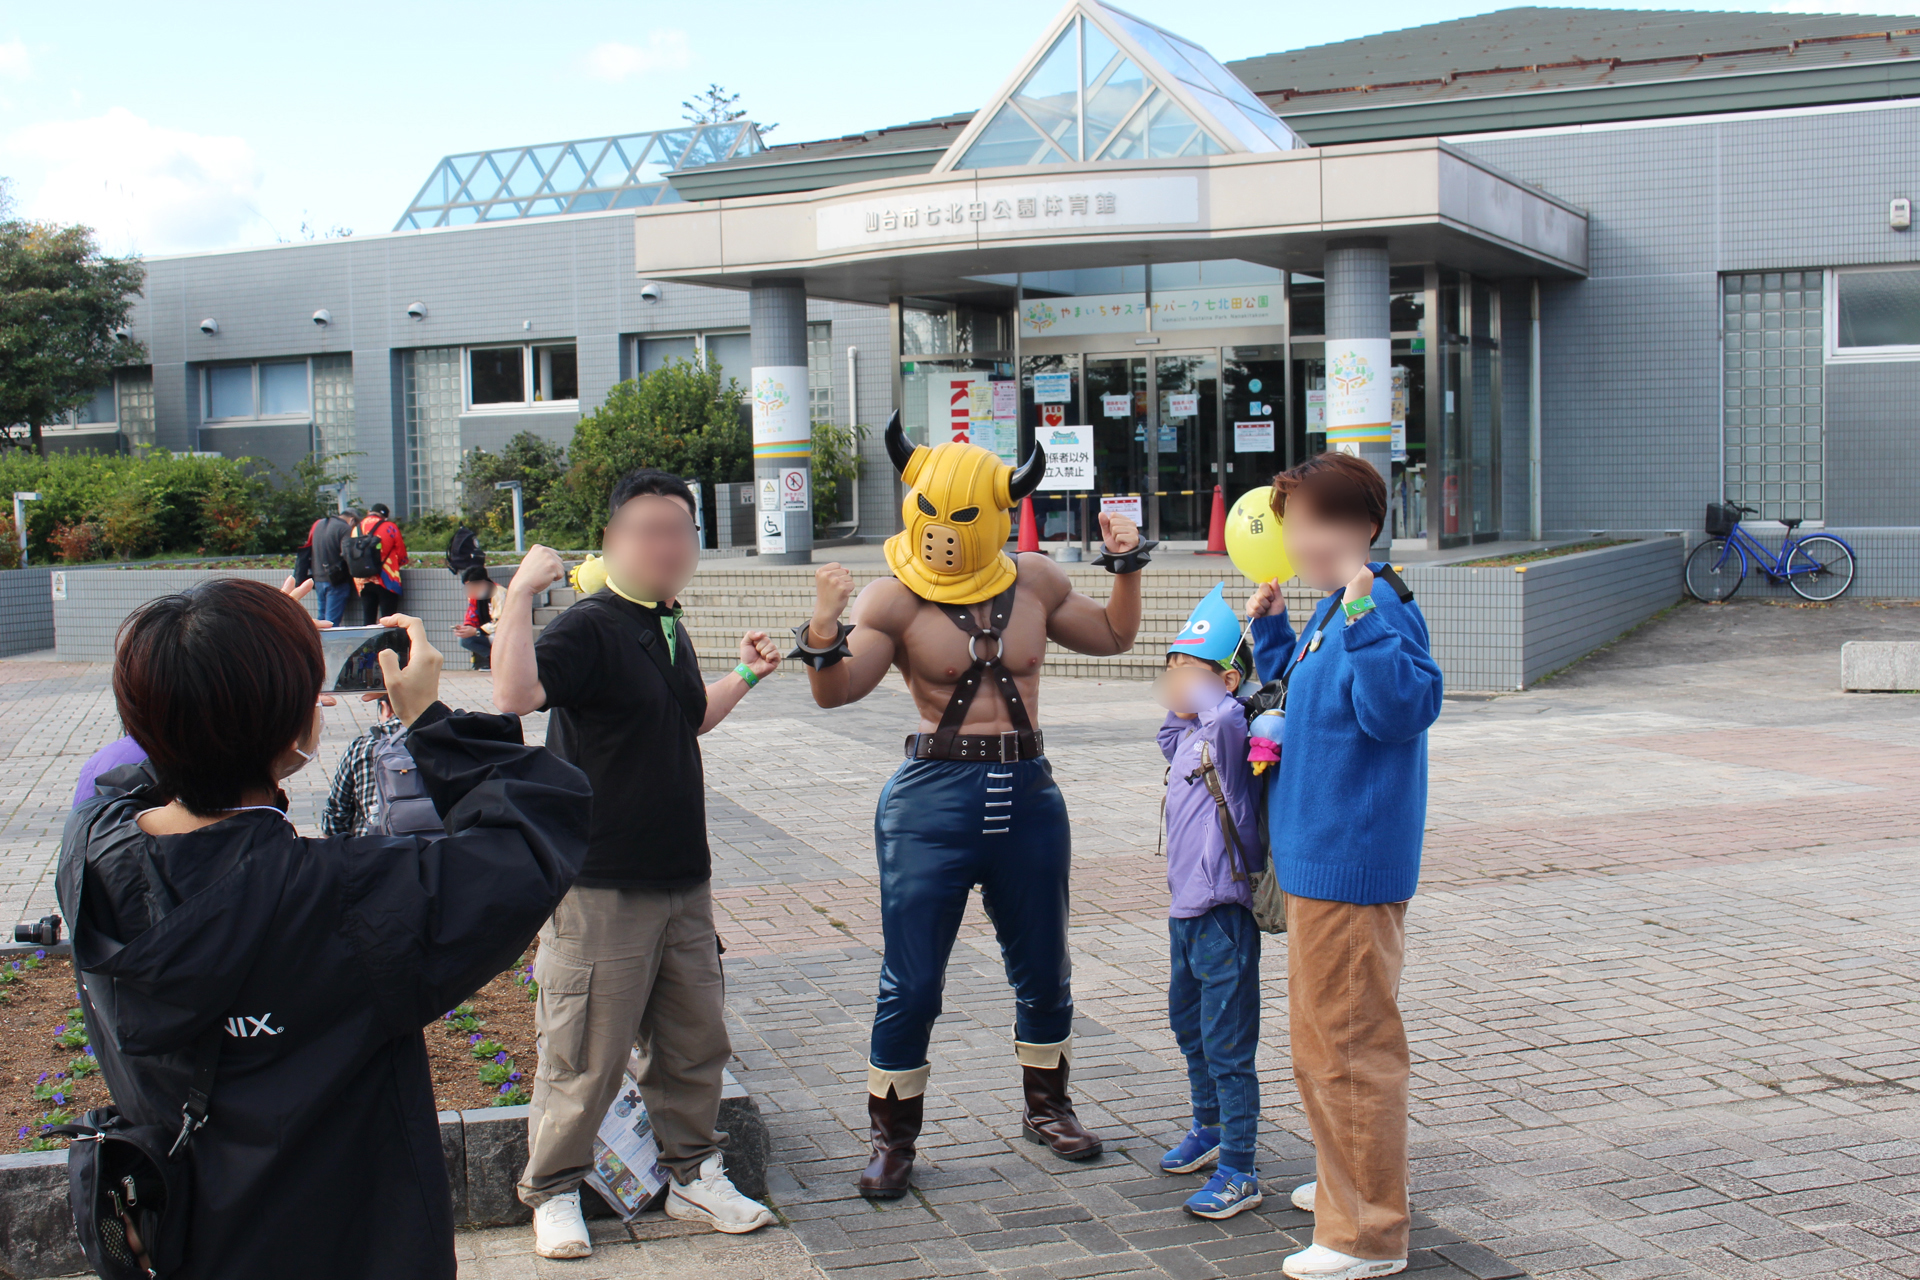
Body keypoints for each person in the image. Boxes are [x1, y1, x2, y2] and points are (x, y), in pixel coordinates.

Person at [56, 579, 591, 1280]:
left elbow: (135, 773)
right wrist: (430, 721)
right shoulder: (349, 897)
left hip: (188, 1238)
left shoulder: (94, 850)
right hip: (353, 1246)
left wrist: (217, 665)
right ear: (298, 731)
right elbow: (536, 828)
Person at [795, 413, 1147, 1199]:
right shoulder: (894, 598)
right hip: (932, 803)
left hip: (1027, 793)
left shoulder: (1036, 581)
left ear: (995, 514)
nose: (944, 532)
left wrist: (1125, 565)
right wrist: (822, 629)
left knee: (1045, 967)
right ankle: (892, 1138)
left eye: (960, 516)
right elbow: (837, 692)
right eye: (930, 513)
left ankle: (1048, 1108)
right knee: (913, 980)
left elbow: (1113, 637)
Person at [492, 468, 782, 1257]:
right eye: (650, 531)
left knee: (694, 1044)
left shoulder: (665, 622)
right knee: (584, 1050)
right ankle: (552, 1190)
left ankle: (693, 1176)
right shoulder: (588, 626)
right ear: (613, 540)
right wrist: (519, 595)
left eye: (679, 531)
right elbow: (515, 693)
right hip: (601, 882)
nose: (667, 545)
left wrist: (745, 675)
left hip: (683, 878)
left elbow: (687, 719)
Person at [1245, 451, 1443, 1280]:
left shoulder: (1378, 603)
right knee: (1322, 1041)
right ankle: (1347, 1182)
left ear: (1364, 526)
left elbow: (1401, 709)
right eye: (1294, 526)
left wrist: (1358, 616)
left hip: (1350, 863)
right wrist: (1274, 633)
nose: (1303, 541)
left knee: (1350, 1048)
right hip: (1316, 860)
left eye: (1320, 524)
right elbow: (1315, 703)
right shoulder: (1339, 601)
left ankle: (1366, 1234)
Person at [1154, 583, 1265, 1221]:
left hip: (1223, 911)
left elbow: (1225, 715)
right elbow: (1171, 731)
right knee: (1187, 1024)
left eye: (1186, 672)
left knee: (1228, 1043)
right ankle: (1210, 1127)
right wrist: (1186, 685)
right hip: (1185, 911)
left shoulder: (1227, 730)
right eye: (1169, 669)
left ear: (1224, 682)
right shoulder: (1188, 735)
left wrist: (1222, 670)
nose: (1174, 682)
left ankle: (1240, 1168)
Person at [321, 696, 406, 837]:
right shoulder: (439, 739)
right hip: (435, 847)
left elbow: (336, 813)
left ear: (385, 708)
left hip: (372, 845)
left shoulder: (363, 746)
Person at [353, 503, 407, 625]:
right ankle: (388, 638)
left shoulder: (356, 528)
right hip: (386, 578)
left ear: (369, 512)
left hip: (362, 579)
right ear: (385, 516)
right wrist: (400, 562)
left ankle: (368, 638)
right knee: (389, 619)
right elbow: (401, 553)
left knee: (368, 620)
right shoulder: (390, 527)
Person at [306, 508, 359, 627]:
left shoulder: (319, 524)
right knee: (331, 623)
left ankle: (318, 639)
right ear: (352, 520)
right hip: (336, 580)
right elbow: (348, 554)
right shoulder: (344, 528)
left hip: (318, 577)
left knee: (321, 619)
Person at [453, 566, 499, 670]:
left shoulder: (499, 593)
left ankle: (498, 661)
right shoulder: (474, 595)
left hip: (501, 632)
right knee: (464, 639)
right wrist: (466, 628)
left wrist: (477, 631)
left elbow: (500, 621)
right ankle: (492, 660)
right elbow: (472, 614)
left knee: (495, 636)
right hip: (485, 631)